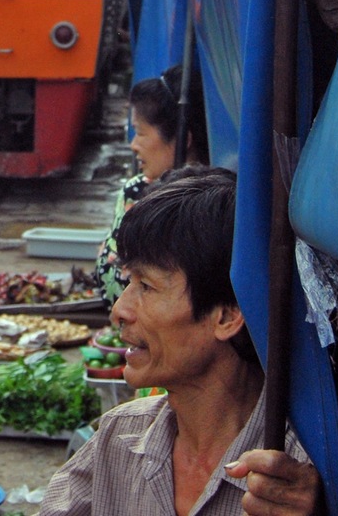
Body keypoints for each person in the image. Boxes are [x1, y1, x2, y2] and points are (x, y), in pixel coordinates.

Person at [41, 167, 320, 516]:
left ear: (228, 315)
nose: (120, 310)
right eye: (130, 282)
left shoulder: (293, 478)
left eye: (147, 286)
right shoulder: (117, 440)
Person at [95, 64, 208, 306]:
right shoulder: (221, 199)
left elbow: (112, 283)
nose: (133, 145)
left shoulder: (139, 193)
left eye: (141, 132)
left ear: (182, 138)